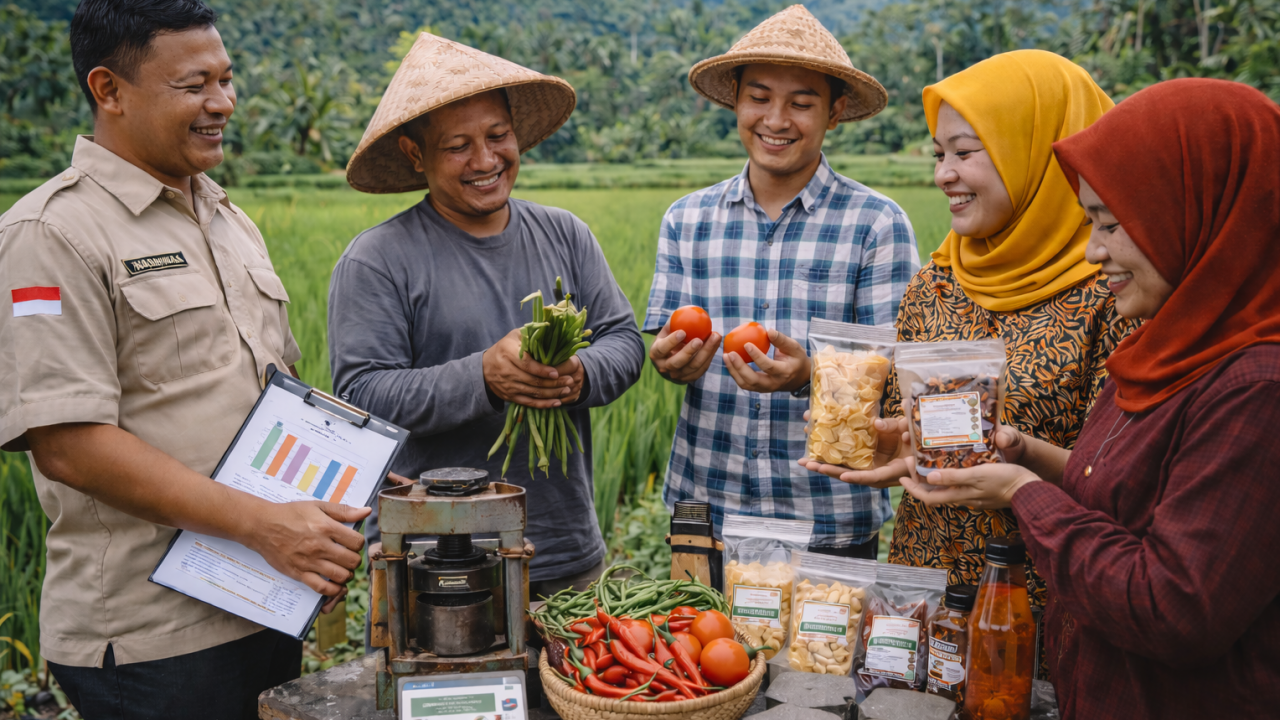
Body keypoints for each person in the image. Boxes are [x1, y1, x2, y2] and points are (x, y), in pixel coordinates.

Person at [0, 1, 368, 718]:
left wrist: (353, 480)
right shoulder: (50, 235)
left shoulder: (227, 219)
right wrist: (266, 526)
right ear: (109, 90)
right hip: (151, 637)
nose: (222, 103)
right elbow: (70, 445)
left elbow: (274, 399)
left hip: (264, 597)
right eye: (194, 85)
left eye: (226, 80)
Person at [896, 78, 1280, 719]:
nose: (1094, 251)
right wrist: (1022, 453)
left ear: (1197, 213)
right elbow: (1118, 489)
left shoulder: (1256, 389)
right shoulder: (1170, 349)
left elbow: (1172, 607)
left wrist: (1022, 493)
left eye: (1111, 224)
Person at [803, 51, 1135, 614]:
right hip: (922, 591)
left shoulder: (1118, 289)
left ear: (1039, 151)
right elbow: (906, 429)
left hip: (1050, 598)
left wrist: (1020, 465)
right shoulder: (935, 283)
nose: (943, 174)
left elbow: (1127, 478)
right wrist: (883, 440)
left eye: (964, 151)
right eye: (938, 154)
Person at [329, 33, 644, 598]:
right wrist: (484, 376)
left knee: (572, 688)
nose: (485, 160)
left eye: (498, 136)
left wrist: (581, 375)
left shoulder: (565, 233)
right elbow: (361, 397)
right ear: (414, 154)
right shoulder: (377, 259)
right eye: (458, 146)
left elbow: (623, 338)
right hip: (436, 557)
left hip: (565, 548)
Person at [644, 5, 919, 559]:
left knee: (824, 652)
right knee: (701, 648)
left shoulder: (876, 223)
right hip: (708, 511)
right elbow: (665, 338)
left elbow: (901, 373)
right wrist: (669, 361)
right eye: (760, 97)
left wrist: (809, 375)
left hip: (827, 517)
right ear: (736, 101)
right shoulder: (686, 219)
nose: (776, 119)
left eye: (802, 102)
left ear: (835, 112)